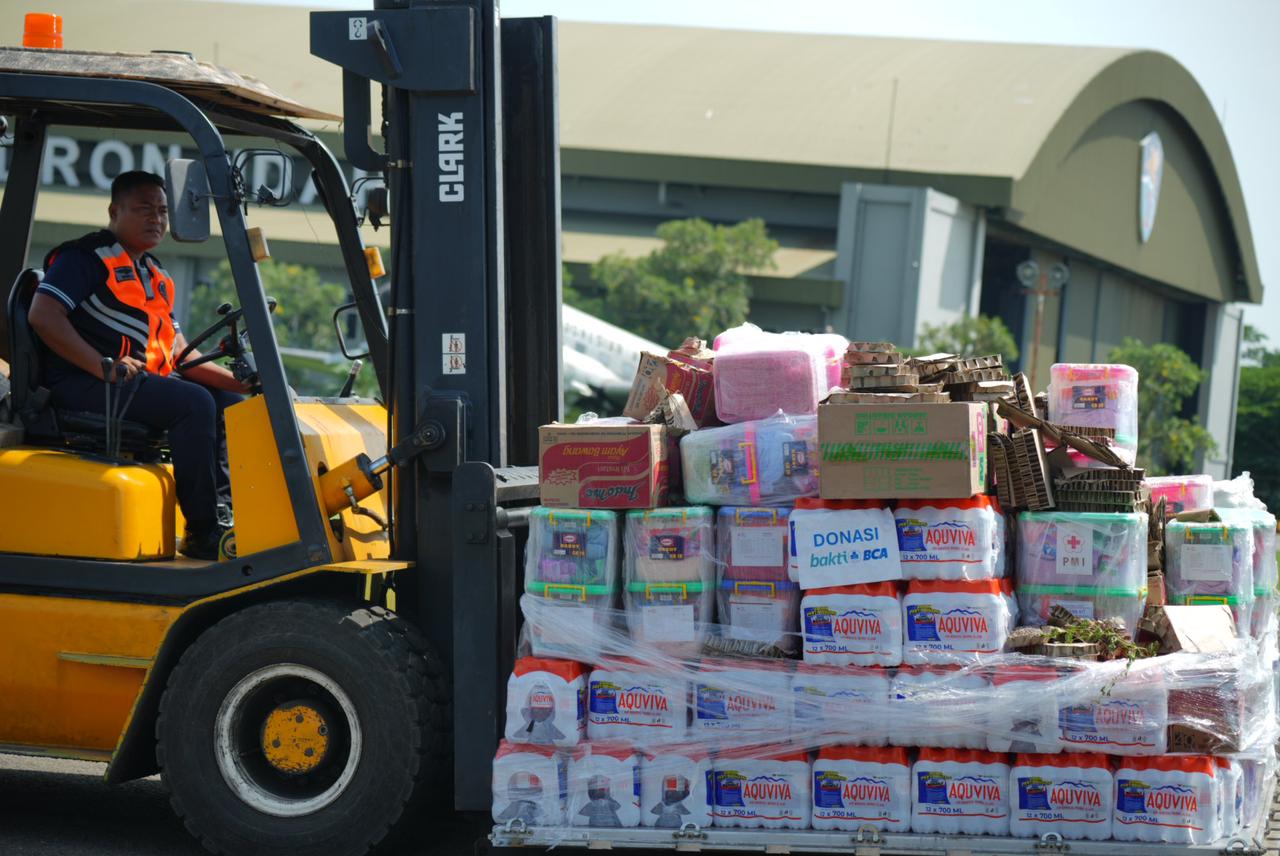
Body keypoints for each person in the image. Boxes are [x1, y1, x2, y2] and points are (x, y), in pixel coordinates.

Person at [27, 170, 251, 560]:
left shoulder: (156, 274)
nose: (157, 219)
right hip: (82, 383)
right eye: (144, 209)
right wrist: (101, 366)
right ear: (115, 211)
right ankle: (202, 531)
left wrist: (242, 383)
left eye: (163, 211)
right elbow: (43, 315)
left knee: (227, 403)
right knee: (194, 403)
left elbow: (179, 353)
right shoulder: (85, 258)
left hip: (130, 381)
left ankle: (225, 512)